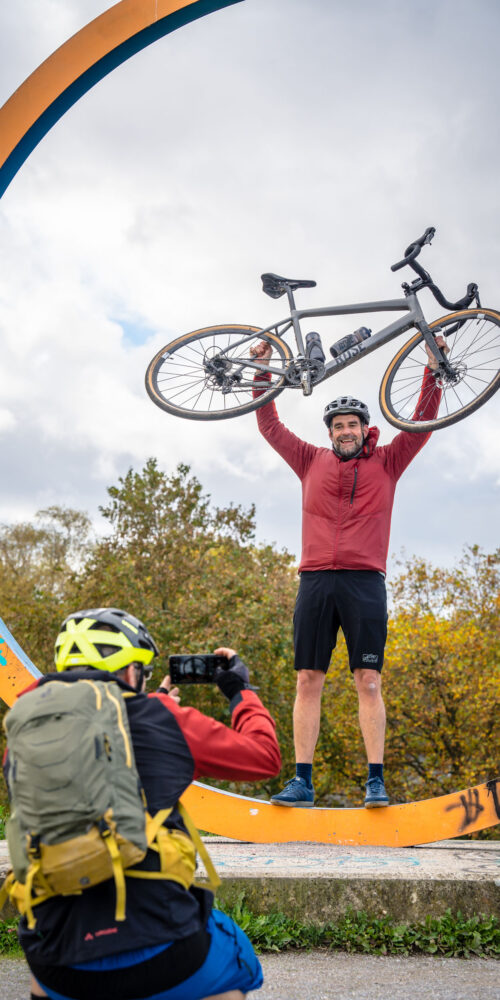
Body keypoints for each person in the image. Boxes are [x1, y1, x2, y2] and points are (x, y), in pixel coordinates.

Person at [3, 607, 281, 1000]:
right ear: (132, 672)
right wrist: (240, 690)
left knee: (45, 975)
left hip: (56, 959)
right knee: (237, 958)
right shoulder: (162, 717)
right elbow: (264, 756)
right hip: (165, 955)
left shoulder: (24, 727)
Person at [251, 336, 447, 809]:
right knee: (307, 680)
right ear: (330, 431)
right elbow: (269, 424)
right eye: (337, 425)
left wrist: (432, 366)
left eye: (352, 424)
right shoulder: (309, 461)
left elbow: (421, 423)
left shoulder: (388, 462)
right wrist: (264, 368)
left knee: (369, 681)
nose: (344, 430)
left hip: (364, 581)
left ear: (365, 427)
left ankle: (375, 781)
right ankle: (302, 782)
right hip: (315, 579)